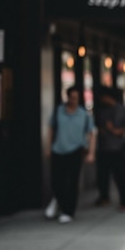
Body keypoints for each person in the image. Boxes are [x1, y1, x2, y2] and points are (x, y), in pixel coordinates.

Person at [44, 86, 96, 223]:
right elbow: (50, 130)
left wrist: (91, 152)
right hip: (58, 150)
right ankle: (57, 200)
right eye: (71, 97)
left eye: (76, 98)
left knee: (72, 183)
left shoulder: (83, 114)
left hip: (75, 151)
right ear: (67, 97)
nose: (73, 100)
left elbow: (92, 134)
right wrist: (48, 148)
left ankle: (68, 211)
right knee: (56, 182)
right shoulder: (58, 111)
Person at [94, 87, 125, 212]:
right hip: (104, 148)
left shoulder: (121, 110)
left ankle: (124, 201)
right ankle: (104, 197)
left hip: (118, 148)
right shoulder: (102, 110)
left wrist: (117, 131)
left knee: (121, 177)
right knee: (102, 176)